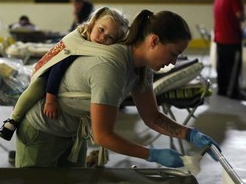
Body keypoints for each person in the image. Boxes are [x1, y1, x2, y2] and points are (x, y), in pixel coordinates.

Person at [15, 9, 220, 168]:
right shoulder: (110, 68)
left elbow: (152, 117)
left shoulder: (142, 69)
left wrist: (190, 134)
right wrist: (152, 155)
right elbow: (102, 136)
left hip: (72, 132)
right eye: (173, 53)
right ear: (154, 41)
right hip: (42, 131)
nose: (174, 63)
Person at [0, 7, 130, 141]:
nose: (102, 37)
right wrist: (50, 100)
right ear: (93, 22)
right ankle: (12, 120)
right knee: (36, 87)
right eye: (101, 29)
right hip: (50, 75)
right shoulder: (78, 41)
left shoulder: (101, 50)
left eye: (110, 37)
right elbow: (57, 69)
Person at [213, 0, 246, 99]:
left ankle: (222, 90)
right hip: (232, 38)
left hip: (219, 37)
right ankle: (233, 92)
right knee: (234, 68)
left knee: (222, 66)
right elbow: (240, 16)